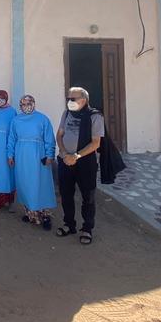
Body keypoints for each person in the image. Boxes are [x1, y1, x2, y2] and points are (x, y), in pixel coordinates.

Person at [55, 87, 105, 245]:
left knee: (87, 197)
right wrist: (64, 154)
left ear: (84, 100)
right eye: (68, 98)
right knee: (66, 194)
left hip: (85, 162)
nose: (69, 101)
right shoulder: (67, 114)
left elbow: (96, 143)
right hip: (65, 160)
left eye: (73, 98)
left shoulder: (95, 117)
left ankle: (87, 228)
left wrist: (75, 156)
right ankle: (69, 224)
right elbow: (59, 135)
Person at [7, 94, 56, 230]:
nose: (26, 106)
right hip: (21, 155)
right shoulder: (16, 120)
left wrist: (49, 155)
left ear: (34, 104)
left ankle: (45, 215)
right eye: (23, 104)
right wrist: (10, 155)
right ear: (20, 106)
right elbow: (11, 138)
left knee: (41, 184)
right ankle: (30, 213)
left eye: (29, 104)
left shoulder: (43, 119)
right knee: (25, 183)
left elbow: (49, 139)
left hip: (38, 155)